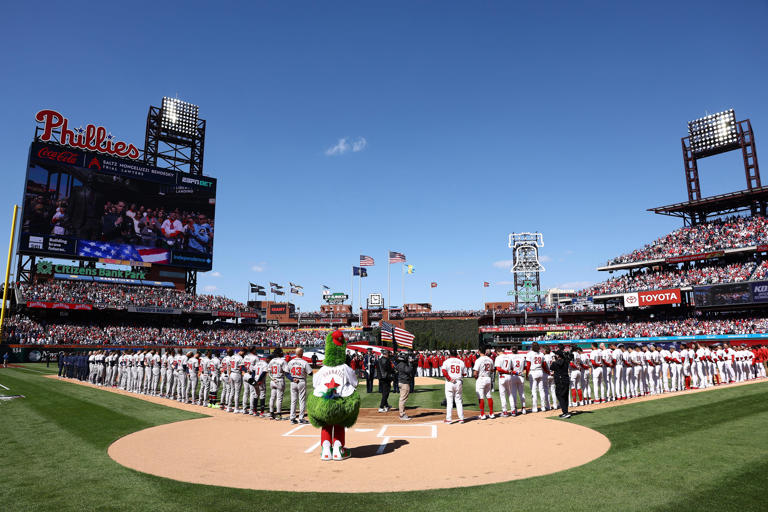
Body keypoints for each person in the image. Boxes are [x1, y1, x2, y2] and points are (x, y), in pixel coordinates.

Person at [287, 348, 311, 424]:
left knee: (293, 400)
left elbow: (286, 373)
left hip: (293, 382)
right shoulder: (304, 362)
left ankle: (292, 418)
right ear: (301, 354)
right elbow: (310, 373)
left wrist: (292, 379)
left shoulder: (290, 362)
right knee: (302, 400)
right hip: (301, 381)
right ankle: (301, 418)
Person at [441, 349, 465, 423]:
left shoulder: (447, 361)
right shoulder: (461, 362)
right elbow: (464, 374)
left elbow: (444, 371)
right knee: (458, 401)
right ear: (456, 354)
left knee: (449, 401)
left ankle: (449, 419)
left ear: (450, 354)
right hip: (458, 381)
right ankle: (461, 418)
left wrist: (450, 378)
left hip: (450, 382)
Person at [473, 349, 495, 419]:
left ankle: (482, 414)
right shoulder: (490, 359)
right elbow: (492, 370)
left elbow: (475, 373)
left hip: (481, 378)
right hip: (488, 378)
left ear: (479, 352)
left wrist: (476, 378)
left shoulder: (478, 360)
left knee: (481, 397)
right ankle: (491, 413)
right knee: (489, 396)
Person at [550, 349, 572, 418]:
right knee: (565, 396)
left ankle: (565, 412)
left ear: (558, 356)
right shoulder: (566, 361)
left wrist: (554, 360)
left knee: (560, 396)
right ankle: (566, 411)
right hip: (566, 379)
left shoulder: (555, 363)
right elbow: (570, 357)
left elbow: (551, 368)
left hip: (560, 381)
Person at [268, 348, 287, 420]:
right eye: (282, 352)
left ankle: (271, 413)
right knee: (279, 398)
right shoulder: (282, 361)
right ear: (279, 353)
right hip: (279, 380)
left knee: (272, 397)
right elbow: (286, 371)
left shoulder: (272, 361)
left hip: (273, 380)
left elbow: (269, 371)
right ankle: (278, 414)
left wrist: (272, 378)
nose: (283, 353)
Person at [396, 353, 415, 421]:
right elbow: (409, 370)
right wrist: (410, 363)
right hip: (404, 383)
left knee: (402, 398)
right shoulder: (403, 365)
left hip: (400, 382)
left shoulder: (399, 364)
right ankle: (402, 414)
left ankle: (402, 413)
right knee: (403, 399)